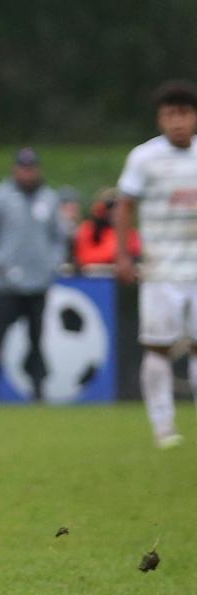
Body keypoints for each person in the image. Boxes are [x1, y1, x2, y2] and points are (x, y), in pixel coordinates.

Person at [114, 80, 197, 449]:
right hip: (161, 270)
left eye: (183, 113)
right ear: (159, 119)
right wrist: (122, 253)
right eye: (169, 115)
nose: (176, 122)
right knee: (158, 347)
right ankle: (162, 425)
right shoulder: (144, 158)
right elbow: (125, 204)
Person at [0, 147, 68, 401]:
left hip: (38, 282)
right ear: (15, 169)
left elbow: (60, 236)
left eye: (32, 167)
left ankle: (38, 390)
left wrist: (52, 263)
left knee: (37, 339)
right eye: (23, 167)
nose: (27, 172)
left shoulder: (49, 198)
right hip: (5, 284)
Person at [74, 187, 141, 268]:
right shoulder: (88, 229)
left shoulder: (130, 233)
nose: (115, 211)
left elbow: (135, 252)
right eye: (110, 206)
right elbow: (84, 257)